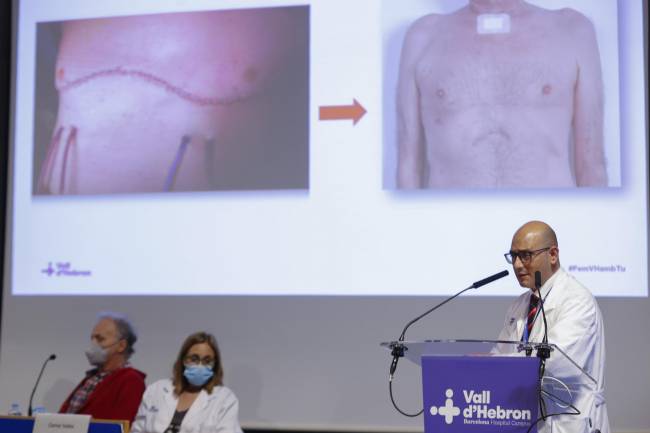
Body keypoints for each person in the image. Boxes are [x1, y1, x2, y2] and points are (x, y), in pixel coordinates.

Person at [396, 0, 608, 188]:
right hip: (451, 224)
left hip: (547, 222)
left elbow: (591, 164)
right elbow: (408, 166)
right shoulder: (423, 37)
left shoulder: (571, 31)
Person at [496, 221, 609, 433]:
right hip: (527, 420)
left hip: (571, 423)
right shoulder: (519, 305)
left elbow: (556, 363)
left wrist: (500, 365)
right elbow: (500, 354)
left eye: (526, 255)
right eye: (514, 256)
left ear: (553, 254)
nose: (518, 265)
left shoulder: (577, 300)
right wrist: (479, 366)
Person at [131, 332, 242, 433]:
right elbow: (137, 430)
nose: (200, 365)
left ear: (215, 365)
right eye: (194, 359)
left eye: (207, 361)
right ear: (183, 360)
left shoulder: (224, 398)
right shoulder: (156, 390)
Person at [59, 312, 146, 423]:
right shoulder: (92, 378)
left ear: (121, 346)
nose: (93, 344)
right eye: (92, 339)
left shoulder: (131, 381)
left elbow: (121, 427)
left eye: (100, 339)